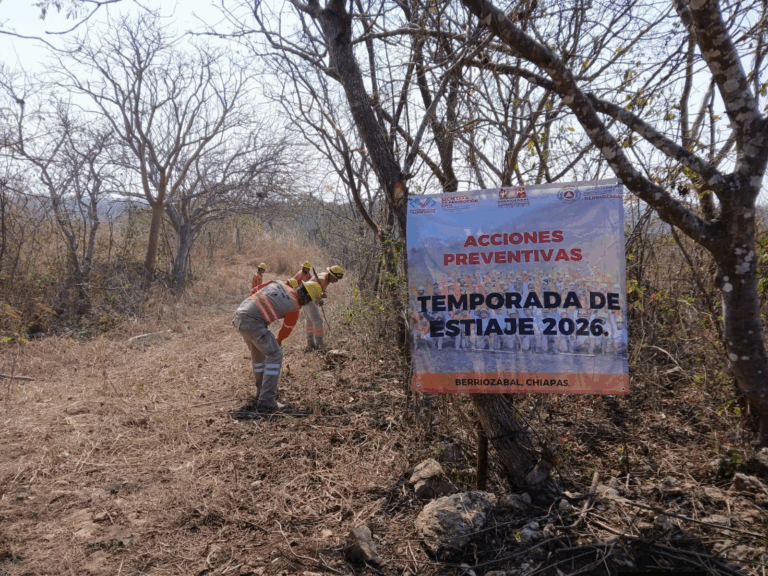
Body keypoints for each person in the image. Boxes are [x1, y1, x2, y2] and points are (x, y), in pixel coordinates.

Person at [232, 279, 325, 415]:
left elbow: (255, 291)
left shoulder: (279, 283)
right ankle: (267, 401)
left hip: (240, 316)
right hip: (253, 323)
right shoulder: (293, 307)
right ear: (307, 298)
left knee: (259, 356)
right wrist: (278, 340)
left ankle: (261, 393)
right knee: (275, 354)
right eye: (310, 300)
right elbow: (284, 332)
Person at [304, 265, 344, 351]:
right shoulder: (322, 280)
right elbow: (312, 293)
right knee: (318, 321)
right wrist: (321, 296)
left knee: (310, 321)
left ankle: (310, 344)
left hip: (307, 299)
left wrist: (319, 298)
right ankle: (320, 344)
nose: (337, 281)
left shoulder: (325, 277)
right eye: (336, 278)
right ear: (331, 275)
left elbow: (315, 291)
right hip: (307, 299)